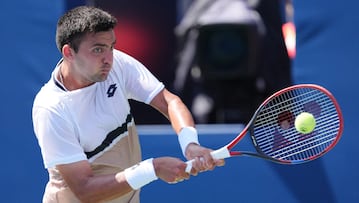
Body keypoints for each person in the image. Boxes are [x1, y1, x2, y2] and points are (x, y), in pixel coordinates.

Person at [32, 6, 223, 203]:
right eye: (97, 49)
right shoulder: (51, 109)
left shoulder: (117, 66)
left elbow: (168, 101)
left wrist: (190, 143)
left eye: (111, 47)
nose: (108, 59)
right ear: (69, 52)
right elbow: (85, 190)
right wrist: (153, 168)